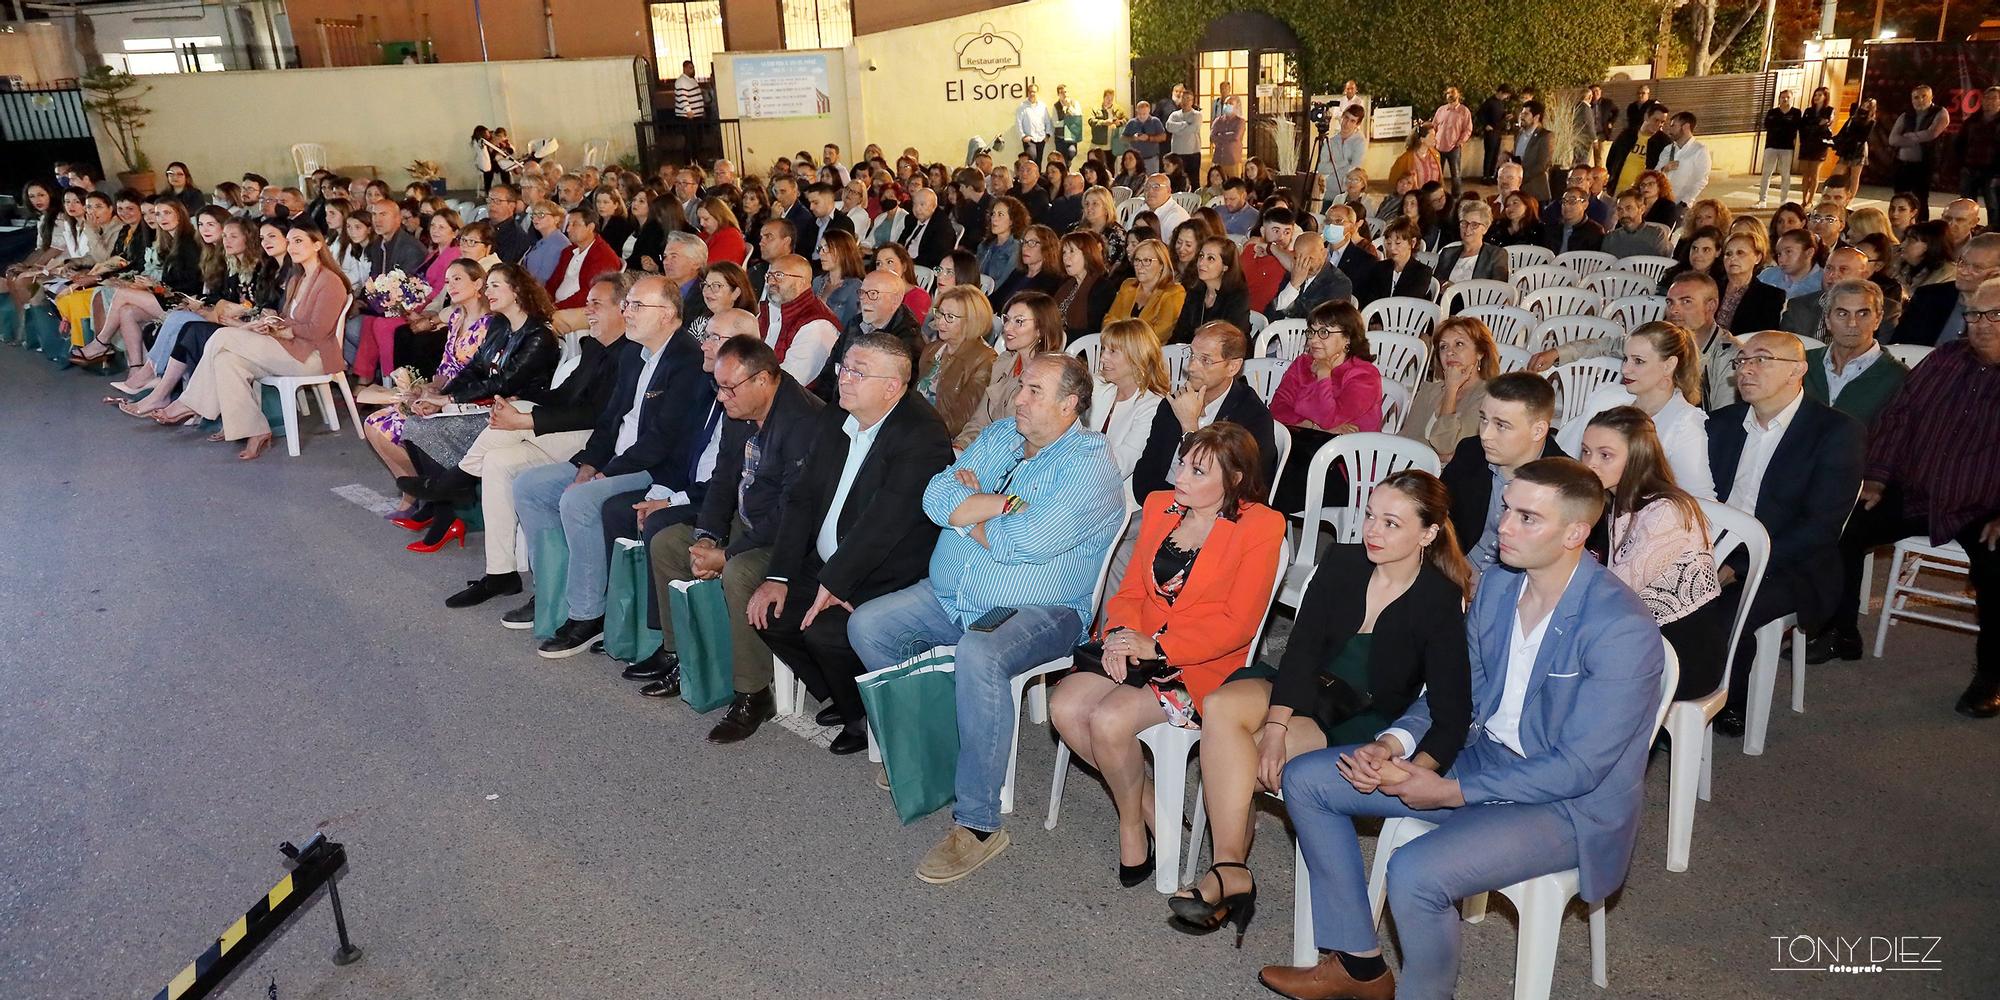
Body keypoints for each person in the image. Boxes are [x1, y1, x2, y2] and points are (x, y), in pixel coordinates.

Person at [1261, 457, 1664, 1000]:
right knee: (1307, 780)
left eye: (1527, 517)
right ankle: (1357, 963)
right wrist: (1392, 744)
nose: (1504, 527)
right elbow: (1453, 696)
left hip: (1568, 805)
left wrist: (1450, 789)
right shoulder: (1499, 586)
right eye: (1506, 509)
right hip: (1483, 753)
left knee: (1414, 873)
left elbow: (1579, 767)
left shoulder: (1619, 627)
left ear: (1575, 532)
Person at [849, 352, 1124, 882]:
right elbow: (933, 495)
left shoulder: (1089, 467)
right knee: (869, 625)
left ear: (1070, 405)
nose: (1018, 399)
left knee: (979, 651)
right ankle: (933, 757)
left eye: (1035, 392)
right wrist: (997, 503)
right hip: (954, 592)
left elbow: (1027, 541)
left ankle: (978, 821)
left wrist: (974, 501)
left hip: (1040, 609)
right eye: (1021, 388)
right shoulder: (1003, 435)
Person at [1174, 468, 1470, 941]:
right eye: (1370, 516)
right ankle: (1232, 868)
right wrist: (1275, 727)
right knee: (1223, 706)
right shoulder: (1344, 561)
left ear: (1429, 533)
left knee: (1236, 759)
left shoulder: (1439, 599)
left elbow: (1452, 707)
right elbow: (1302, 648)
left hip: (1356, 715)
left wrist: (1423, 768)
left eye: (1392, 523)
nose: (1373, 530)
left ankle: (1228, 874)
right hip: (1305, 685)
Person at [1048, 422, 1285, 890]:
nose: (1181, 477)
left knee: (1109, 722)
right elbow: (1132, 590)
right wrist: (1119, 636)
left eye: (1199, 472)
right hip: (1135, 643)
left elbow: (1239, 623)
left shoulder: (1261, 525)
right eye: (1183, 464)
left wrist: (1158, 646)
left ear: (1234, 479)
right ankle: (1149, 805)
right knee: (1064, 707)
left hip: (1201, 663)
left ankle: (1130, 825)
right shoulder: (1160, 506)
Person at [758, 329, 955, 752]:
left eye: (857, 372)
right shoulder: (838, 414)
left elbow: (887, 524)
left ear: (892, 387)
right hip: (830, 559)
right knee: (771, 612)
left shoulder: (922, 435)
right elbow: (802, 496)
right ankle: (842, 691)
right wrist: (780, 574)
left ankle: (859, 717)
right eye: (844, 367)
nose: (844, 378)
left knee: (826, 632)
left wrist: (836, 584)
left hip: (885, 571)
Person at [1817, 278, 2000, 716]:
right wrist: (1877, 478)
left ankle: (1991, 674)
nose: (1981, 324)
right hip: (1918, 491)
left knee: (1998, 571)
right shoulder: (1945, 360)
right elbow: (1898, 419)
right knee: (1845, 524)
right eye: (1974, 315)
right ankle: (1842, 631)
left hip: (1985, 506)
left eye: (1995, 315)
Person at [639, 333, 821, 740]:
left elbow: (794, 512)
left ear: (763, 380)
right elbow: (724, 479)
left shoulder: (805, 422)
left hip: (792, 535)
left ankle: (753, 692)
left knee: (738, 571)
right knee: (669, 543)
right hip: (751, 516)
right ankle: (683, 656)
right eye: (718, 387)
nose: (721, 397)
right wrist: (707, 537)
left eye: (729, 387)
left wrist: (728, 552)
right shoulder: (741, 407)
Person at [424, 274, 636, 608]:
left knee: (520, 412)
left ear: (624, 309)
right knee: (497, 462)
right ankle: (500, 574)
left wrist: (526, 418)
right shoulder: (597, 346)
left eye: (596, 303)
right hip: (566, 433)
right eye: (588, 302)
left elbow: (596, 416)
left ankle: (457, 479)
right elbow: (565, 396)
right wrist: (524, 399)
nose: (588, 310)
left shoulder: (631, 353)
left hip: (596, 444)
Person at [1704, 331, 1864, 737]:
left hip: (1793, 563)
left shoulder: (1834, 432)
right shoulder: (1721, 424)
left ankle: (1726, 700)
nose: (1747, 368)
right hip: (1717, 548)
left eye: (1762, 359)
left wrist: (1739, 566)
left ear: (1798, 371)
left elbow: (1820, 528)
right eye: (1741, 360)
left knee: (1723, 609)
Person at [142, 222, 351, 461]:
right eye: (290, 241)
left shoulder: (330, 282)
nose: (292, 247)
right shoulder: (297, 279)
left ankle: (189, 403)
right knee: (226, 360)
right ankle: (255, 429)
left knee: (221, 335)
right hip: (290, 349)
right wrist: (269, 321)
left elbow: (317, 331)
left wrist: (279, 330)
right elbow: (287, 319)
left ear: (317, 244)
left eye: (299, 241)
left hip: (313, 357)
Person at [1575, 406, 1727, 702]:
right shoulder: (1613, 501)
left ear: (1637, 458)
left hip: (1682, 654)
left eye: (1605, 455)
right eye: (1585, 451)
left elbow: (1617, 593)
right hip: (1639, 634)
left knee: (1565, 665)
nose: (1590, 464)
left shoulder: (1664, 512)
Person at [1555, 321, 1714, 498]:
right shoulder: (1607, 397)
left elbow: (1701, 498)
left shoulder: (1683, 423)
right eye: (1625, 359)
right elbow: (1568, 460)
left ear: (1668, 365)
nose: (1625, 369)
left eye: (1638, 361)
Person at [1132, 321, 1278, 499]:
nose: (1192, 367)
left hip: (1218, 519)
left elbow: (1247, 492)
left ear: (1232, 367)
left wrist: (1189, 426)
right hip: (1164, 503)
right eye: (1192, 355)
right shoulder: (1173, 403)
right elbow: (1143, 477)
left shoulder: (1252, 417)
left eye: (1205, 360)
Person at [1441, 371, 1565, 573]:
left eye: (1501, 425)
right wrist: (1452, 565)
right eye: (1483, 419)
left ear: (1538, 430)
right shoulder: (1470, 452)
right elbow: (1438, 513)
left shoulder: (1564, 483)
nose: (1485, 435)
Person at [1269, 299, 1384, 510]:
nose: (1314, 339)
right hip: (1299, 451)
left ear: (1347, 338)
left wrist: (1324, 375)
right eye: (1311, 332)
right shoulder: (1301, 364)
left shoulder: (1364, 376)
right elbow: (1276, 409)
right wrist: (1313, 427)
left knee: (1272, 483)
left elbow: (1329, 417)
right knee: (1255, 467)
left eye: (1324, 333)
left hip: (1343, 468)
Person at [954, 291, 1064, 449]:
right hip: (982, 452)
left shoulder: (1050, 379)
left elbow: (1030, 443)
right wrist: (961, 446)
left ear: (1040, 329)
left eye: (1019, 321)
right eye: (1007, 319)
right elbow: (979, 420)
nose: (1007, 328)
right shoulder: (1003, 364)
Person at [1802, 277, 1908, 426]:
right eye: (1842, 314)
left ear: (1878, 319)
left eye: (1863, 314)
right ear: (1827, 320)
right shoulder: (1802, 364)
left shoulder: (1899, 378)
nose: (1852, 323)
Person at [1086, 318, 1170, 482]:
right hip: (1082, 477)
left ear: (1137, 357)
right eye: (1103, 349)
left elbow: (1121, 464)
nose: (1102, 358)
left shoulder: (1152, 407)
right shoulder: (1099, 385)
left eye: (1112, 351)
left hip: (1117, 494)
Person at [1403, 316, 1498, 457]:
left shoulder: (1489, 397)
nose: (1449, 352)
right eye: (1443, 346)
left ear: (1480, 353)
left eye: (1459, 344)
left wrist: (1451, 389)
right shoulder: (1429, 391)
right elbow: (1405, 441)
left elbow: (1446, 447)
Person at [917, 285, 1000, 441]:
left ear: (971, 321)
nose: (941, 322)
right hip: (916, 426)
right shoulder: (932, 349)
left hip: (939, 437)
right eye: (940, 313)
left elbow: (960, 420)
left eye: (950, 317)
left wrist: (917, 432)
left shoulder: (984, 360)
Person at [1897, 232, 2000, 347]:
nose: (1963, 271)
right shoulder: (1928, 297)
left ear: (1997, 274)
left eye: (1977, 268)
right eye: (1962, 263)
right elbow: (1900, 345)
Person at [1171, 236, 1252, 345]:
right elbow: (1180, 332)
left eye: (1210, 258)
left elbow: (1232, 341)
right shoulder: (1194, 292)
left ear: (1225, 266)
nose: (1201, 263)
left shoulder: (1237, 296)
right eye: (1201, 256)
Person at [1888, 86, 1951, 221]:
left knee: (1921, 199)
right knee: (1899, 200)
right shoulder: (1906, 115)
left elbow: (1932, 133)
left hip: (1924, 165)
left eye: (1924, 96)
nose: (1920, 100)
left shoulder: (1940, 112)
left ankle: (1922, 231)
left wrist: (1906, 137)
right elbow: (1893, 140)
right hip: (1902, 164)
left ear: (1931, 97)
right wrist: (1916, 139)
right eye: (1916, 97)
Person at [545, 206, 620, 311]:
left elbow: (589, 293)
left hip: (584, 309)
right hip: (557, 306)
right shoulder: (568, 252)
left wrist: (555, 308)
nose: (568, 229)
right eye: (568, 224)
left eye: (574, 224)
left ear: (590, 227)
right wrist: (544, 303)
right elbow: (553, 282)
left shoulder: (604, 256)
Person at [1272, 230, 1353, 320]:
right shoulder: (1293, 272)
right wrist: (1294, 284)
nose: (1304, 264)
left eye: (1310, 259)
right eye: (1297, 258)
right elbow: (1273, 310)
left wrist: (1293, 287)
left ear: (1324, 254)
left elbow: (1316, 320)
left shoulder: (1339, 283)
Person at [1356, 219, 1434, 307]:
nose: (1392, 248)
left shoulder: (1422, 272)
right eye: (1389, 243)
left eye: (1398, 243)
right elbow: (1370, 299)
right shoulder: (1380, 267)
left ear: (1412, 243)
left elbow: (1409, 303)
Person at [1053, 230, 1115, 339]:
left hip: (1079, 348)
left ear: (1087, 254)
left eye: (1072, 251)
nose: (1066, 257)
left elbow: (1095, 330)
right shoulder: (1066, 284)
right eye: (1064, 252)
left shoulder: (1102, 287)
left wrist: (1061, 336)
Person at [1433, 200, 1507, 285]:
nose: (1467, 229)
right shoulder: (1447, 253)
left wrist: (1457, 289)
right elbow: (1435, 284)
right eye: (1464, 223)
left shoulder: (1496, 255)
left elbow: (1499, 290)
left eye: (1474, 224)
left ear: (1485, 229)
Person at [1238, 207, 1296, 315]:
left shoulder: (1292, 257)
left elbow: (1295, 268)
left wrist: (1271, 248)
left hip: (1269, 321)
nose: (1281, 237)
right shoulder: (1250, 250)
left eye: (1287, 232)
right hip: (1239, 313)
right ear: (1263, 231)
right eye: (1276, 230)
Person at [1756, 91, 1801, 209]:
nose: (1785, 99)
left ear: (1792, 99)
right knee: (1766, 173)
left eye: (1788, 97)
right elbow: (1768, 125)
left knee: (1785, 174)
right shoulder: (1772, 112)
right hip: (1771, 146)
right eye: (1782, 97)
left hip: (1787, 148)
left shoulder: (1796, 113)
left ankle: (1783, 200)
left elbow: (1795, 127)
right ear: (1779, 99)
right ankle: (1762, 200)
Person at [1657, 111, 1711, 208]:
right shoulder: (1668, 149)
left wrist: (1684, 202)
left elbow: (1701, 180)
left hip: (1681, 206)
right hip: (1661, 202)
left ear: (1685, 127)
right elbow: (1655, 174)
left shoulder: (1700, 150)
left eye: (1673, 126)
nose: (1669, 130)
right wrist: (1664, 169)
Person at [1602, 189, 1673, 260]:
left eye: (1628, 208)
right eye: (1619, 209)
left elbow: (1661, 264)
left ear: (1642, 209)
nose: (1624, 214)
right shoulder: (1611, 237)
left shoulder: (1656, 235)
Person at [897, 188, 958, 269]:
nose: (917, 209)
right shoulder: (911, 219)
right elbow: (901, 242)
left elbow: (935, 258)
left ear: (933, 206)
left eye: (922, 204)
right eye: (914, 204)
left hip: (923, 269)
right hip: (903, 263)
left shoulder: (942, 226)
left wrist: (907, 263)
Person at [1507, 100, 1553, 203]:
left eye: (1526, 114)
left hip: (1535, 192)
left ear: (1536, 117)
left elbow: (1542, 164)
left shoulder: (1545, 136)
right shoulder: (1519, 134)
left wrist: (1521, 177)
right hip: (1518, 190)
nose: (1521, 117)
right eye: (1521, 113)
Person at [1432, 87, 1472, 195]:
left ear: (1458, 95)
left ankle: (1456, 198)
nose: (1449, 95)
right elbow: (1434, 126)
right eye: (1448, 93)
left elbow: (1468, 129)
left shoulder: (1464, 111)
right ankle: (1437, 196)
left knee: (1456, 175)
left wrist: (1460, 142)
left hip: (1454, 148)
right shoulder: (1441, 110)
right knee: (1437, 175)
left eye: (1452, 93)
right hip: (1438, 147)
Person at [1123, 101, 1168, 174]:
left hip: (1151, 159)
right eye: (1139, 114)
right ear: (1136, 111)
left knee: (1152, 180)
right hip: (1135, 161)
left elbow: (1163, 137)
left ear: (1149, 111)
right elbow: (1123, 138)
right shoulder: (1131, 123)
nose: (1142, 116)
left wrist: (1149, 138)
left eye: (1144, 114)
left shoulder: (1155, 121)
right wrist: (1133, 138)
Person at [1165, 99, 1204, 181]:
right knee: (1177, 179)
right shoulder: (1174, 114)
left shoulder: (1197, 115)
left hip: (1193, 152)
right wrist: (1184, 124)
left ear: (1192, 101)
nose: (1185, 102)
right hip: (1177, 152)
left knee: (1194, 180)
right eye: (1183, 99)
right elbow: (1169, 126)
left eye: (1188, 99)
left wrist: (1177, 130)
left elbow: (1194, 128)